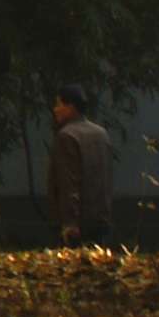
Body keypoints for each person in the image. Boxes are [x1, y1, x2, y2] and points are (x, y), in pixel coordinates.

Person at [46, 86, 114, 246]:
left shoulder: (67, 136)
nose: (55, 110)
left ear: (70, 107)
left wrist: (70, 222)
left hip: (76, 224)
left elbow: (68, 182)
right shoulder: (101, 134)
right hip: (100, 219)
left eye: (58, 104)